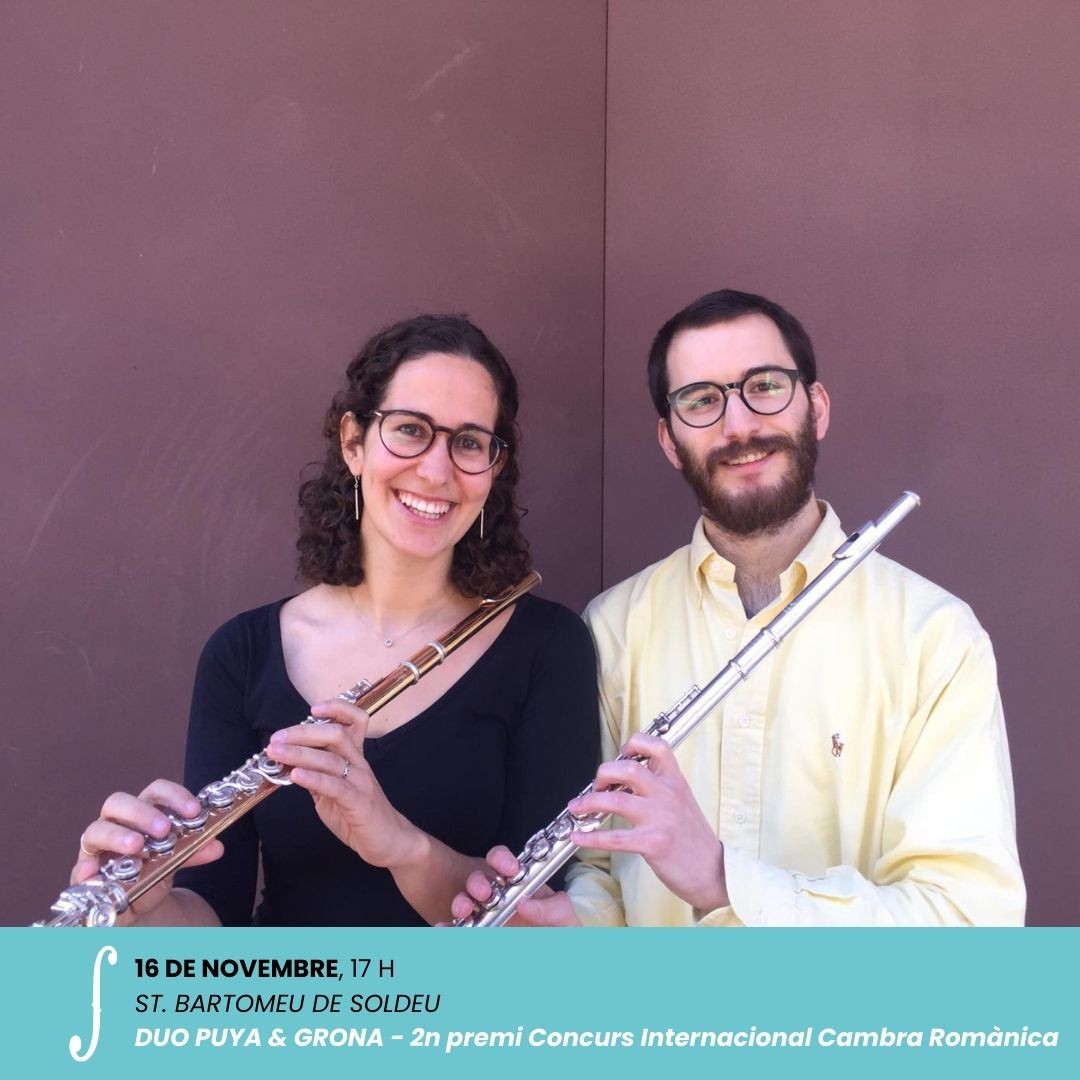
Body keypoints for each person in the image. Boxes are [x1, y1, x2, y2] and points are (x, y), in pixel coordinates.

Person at [452, 289, 1025, 927]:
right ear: (670, 441)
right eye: (701, 401)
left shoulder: (935, 638)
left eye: (765, 386)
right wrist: (573, 926)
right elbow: (601, 872)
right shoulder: (614, 627)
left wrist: (723, 880)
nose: (739, 425)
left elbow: (969, 921)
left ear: (816, 407)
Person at [69, 314, 599, 926]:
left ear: (493, 468)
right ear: (353, 442)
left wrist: (400, 846)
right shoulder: (242, 653)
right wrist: (136, 910)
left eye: (469, 442)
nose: (436, 470)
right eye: (410, 430)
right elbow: (213, 917)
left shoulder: (547, 647)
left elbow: (539, 930)